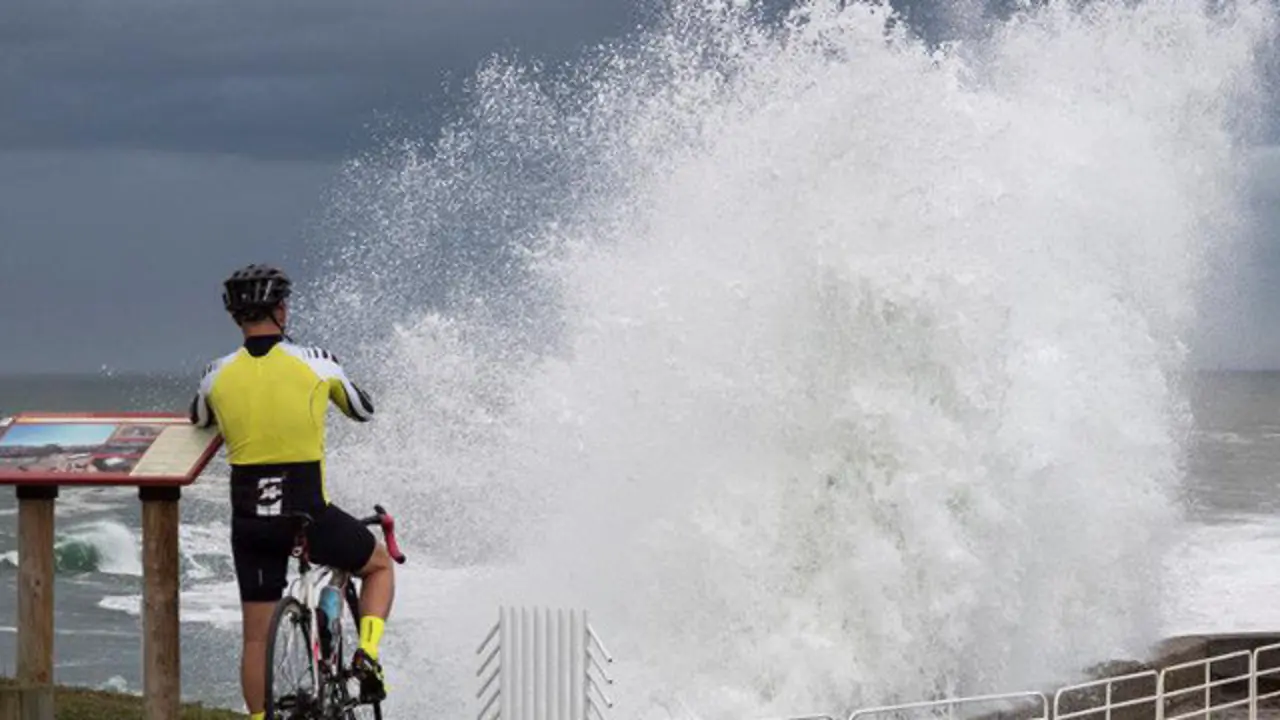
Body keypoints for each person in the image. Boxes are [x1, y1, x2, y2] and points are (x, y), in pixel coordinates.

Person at [189, 264, 394, 720]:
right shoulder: (315, 360)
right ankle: (368, 654)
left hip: (250, 523)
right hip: (307, 517)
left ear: (235, 318)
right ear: (282, 309)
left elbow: (198, 419)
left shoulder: (215, 373)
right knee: (377, 565)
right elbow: (362, 409)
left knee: (256, 639)